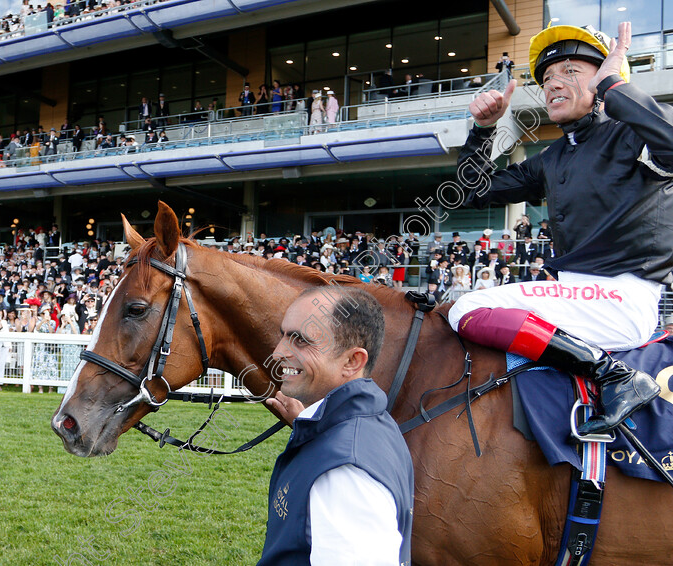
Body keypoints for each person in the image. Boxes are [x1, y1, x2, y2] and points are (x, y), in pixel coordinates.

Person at [449, 22, 671, 434]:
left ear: (605, 76)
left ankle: (616, 377)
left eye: (570, 71)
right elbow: (469, 192)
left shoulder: (632, 133)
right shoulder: (552, 156)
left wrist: (615, 88)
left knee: (467, 308)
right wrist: (483, 132)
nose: (553, 83)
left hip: (618, 300)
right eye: (547, 77)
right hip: (576, 294)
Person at [259, 286, 413, 566]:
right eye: (283, 335)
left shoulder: (346, 473)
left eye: (301, 341)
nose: (278, 352)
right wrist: (309, 428)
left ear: (353, 361)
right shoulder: (366, 423)